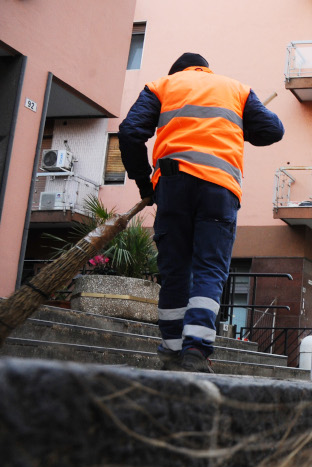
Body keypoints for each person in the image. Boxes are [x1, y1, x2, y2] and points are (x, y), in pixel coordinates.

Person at [119, 53, 284, 373]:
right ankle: (196, 349)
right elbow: (273, 130)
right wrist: (239, 128)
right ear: (204, 68)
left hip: (172, 187)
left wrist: (144, 184)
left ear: (177, 73)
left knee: (175, 272)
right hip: (219, 191)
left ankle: (171, 349)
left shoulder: (161, 86)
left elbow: (129, 132)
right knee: (209, 270)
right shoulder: (238, 90)